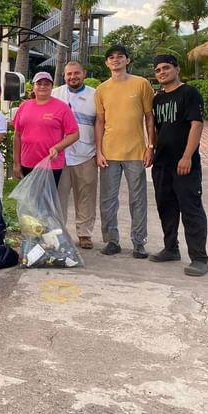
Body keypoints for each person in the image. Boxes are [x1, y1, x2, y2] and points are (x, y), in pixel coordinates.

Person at [149, 54, 208, 276]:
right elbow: (156, 129)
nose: (162, 72)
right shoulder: (158, 99)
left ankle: (200, 258)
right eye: (157, 70)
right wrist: (151, 149)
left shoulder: (190, 94)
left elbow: (196, 125)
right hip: (162, 163)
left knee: (191, 209)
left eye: (166, 68)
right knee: (166, 207)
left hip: (184, 163)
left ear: (177, 69)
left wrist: (187, 157)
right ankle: (170, 248)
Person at [95, 44, 156, 259]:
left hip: (136, 153)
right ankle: (112, 241)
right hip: (109, 154)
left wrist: (150, 146)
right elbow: (100, 122)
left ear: (127, 60)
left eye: (120, 57)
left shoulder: (141, 84)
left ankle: (139, 243)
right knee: (107, 201)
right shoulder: (102, 89)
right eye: (111, 57)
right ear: (106, 63)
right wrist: (99, 151)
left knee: (137, 200)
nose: (115, 60)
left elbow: (149, 117)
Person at [52, 61, 98, 249]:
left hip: (86, 153)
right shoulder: (56, 94)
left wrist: (100, 151)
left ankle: (84, 234)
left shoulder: (95, 95)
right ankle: (59, 234)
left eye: (76, 73)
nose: (73, 77)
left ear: (84, 73)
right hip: (60, 155)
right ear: (64, 75)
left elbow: (101, 124)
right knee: (59, 198)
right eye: (69, 74)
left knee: (86, 196)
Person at [13, 71, 79, 185]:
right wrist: (16, 163)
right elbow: (17, 136)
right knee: (30, 201)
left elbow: (74, 134)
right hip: (27, 163)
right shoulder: (24, 106)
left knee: (46, 201)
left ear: (51, 87)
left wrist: (58, 148)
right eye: (39, 83)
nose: (42, 86)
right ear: (33, 86)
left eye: (46, 84)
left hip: (51, 164)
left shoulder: (62, 107)